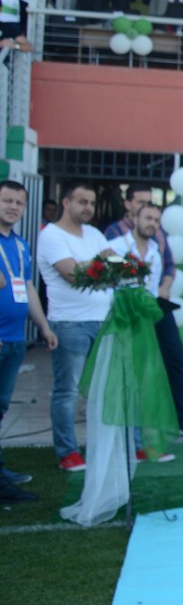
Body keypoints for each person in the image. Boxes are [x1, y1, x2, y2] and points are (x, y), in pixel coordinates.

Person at [39, 182, 116, 471]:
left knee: (100, 388)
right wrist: (100, 263)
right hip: (69, 323)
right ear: (66, 202)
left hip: (103, 321)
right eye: (82, 202)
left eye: (92, 203)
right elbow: (72, 274)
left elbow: (119, 265)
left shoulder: (94, 233)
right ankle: (68, 452)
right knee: (68, 391)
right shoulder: (51, 235)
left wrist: (97, 264)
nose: (88, 208)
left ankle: (98, 445)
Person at [107, 202, 183, 453]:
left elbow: (155, 286)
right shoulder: (116, 247)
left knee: (162, 366)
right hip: (125, 317)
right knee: (129, 377)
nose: (152, 224)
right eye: (148, 218)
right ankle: (128, 440)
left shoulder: (155, 251)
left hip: (151, 314)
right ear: (134, 219)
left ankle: (152, 434)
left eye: (156, 220)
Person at [0, 180, 55, 500]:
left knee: (1, 407)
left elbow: (28, 287)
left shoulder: (20, 245)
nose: (13, 207)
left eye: (19, 202)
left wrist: (44, 327)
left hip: (15, 340)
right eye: (7, 200)